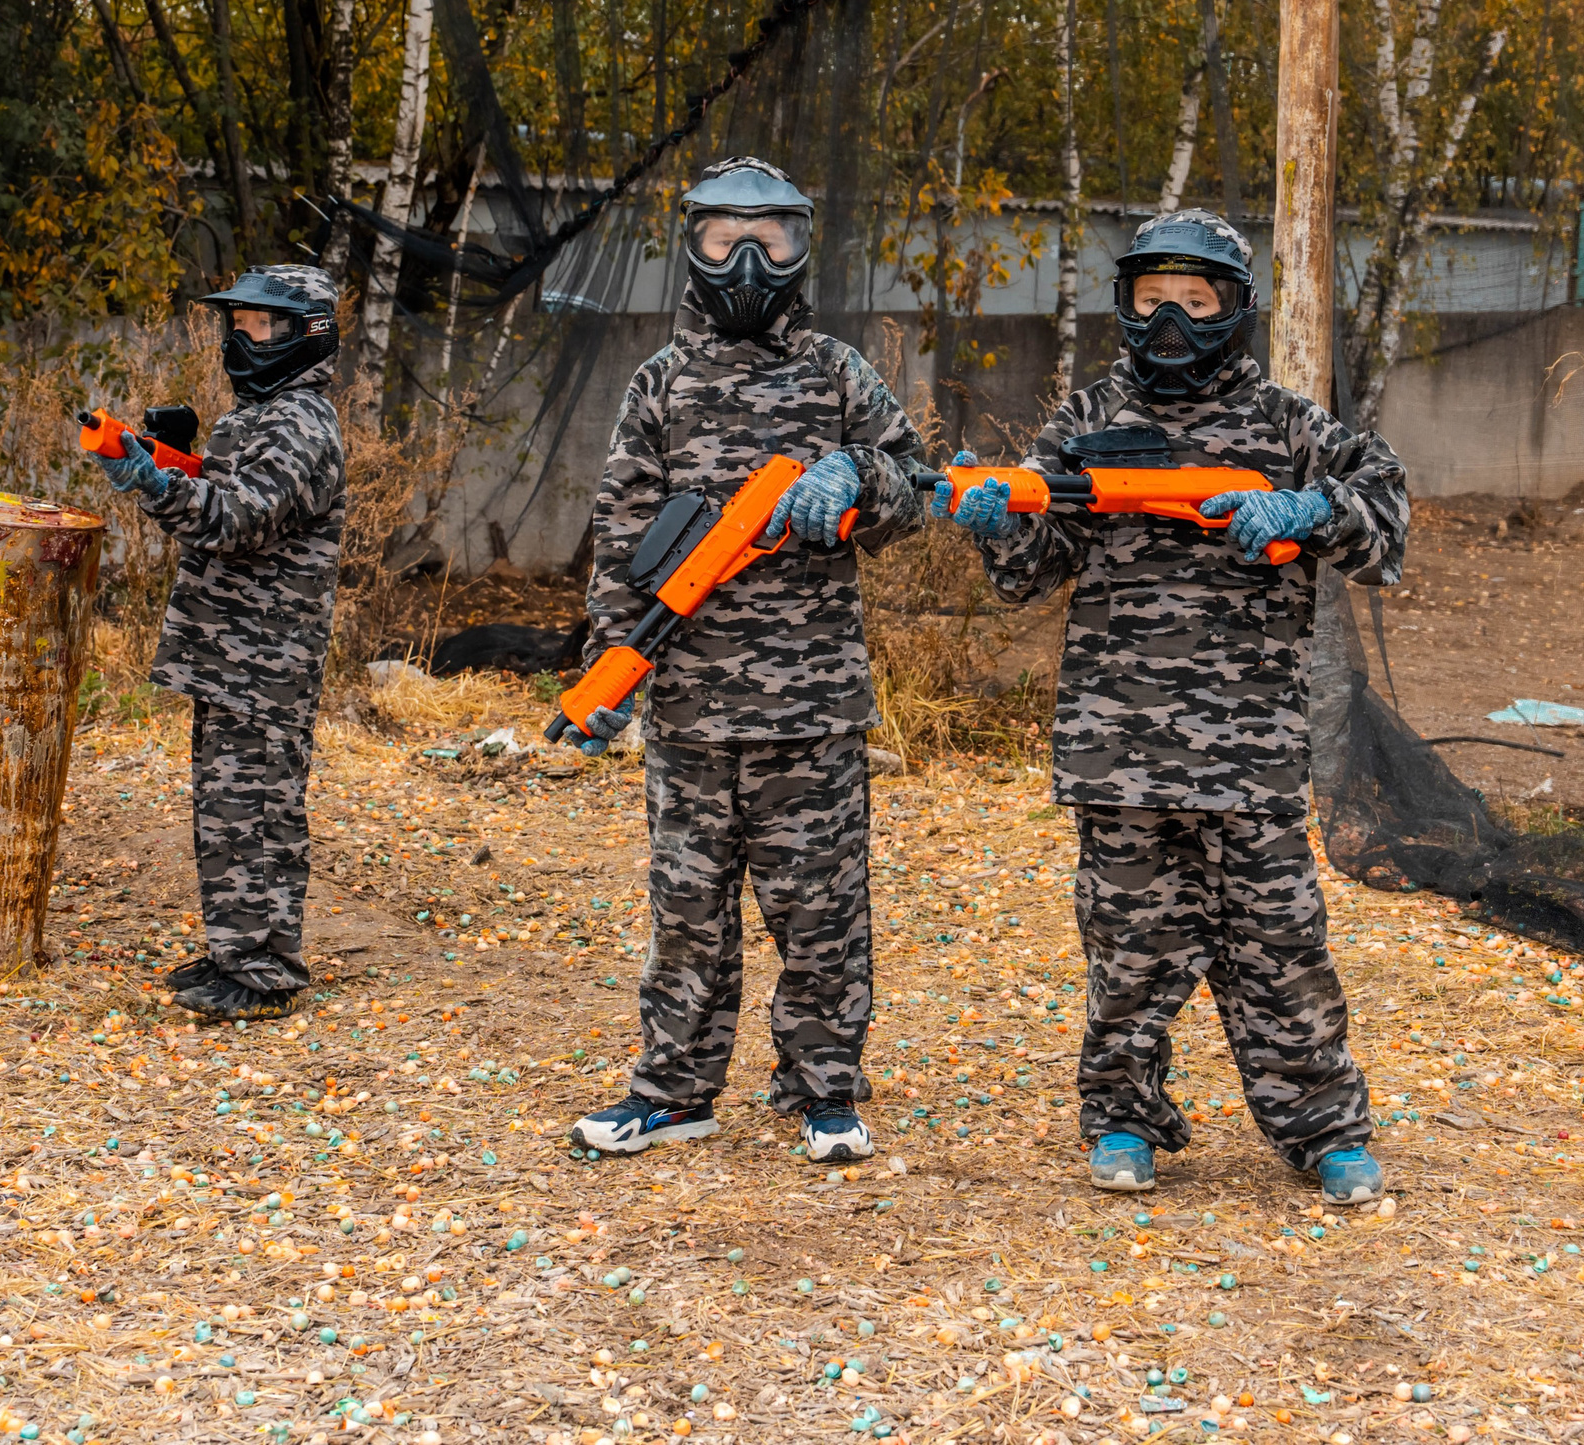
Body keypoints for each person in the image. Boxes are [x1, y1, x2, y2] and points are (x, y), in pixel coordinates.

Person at [938, 210, 1408, 1204]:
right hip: (1118, 746)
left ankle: (1324, 1130)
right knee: (1128, 949)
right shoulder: (1085, 423)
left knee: (1279, 945)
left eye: (1195, 303)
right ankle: (1120, 1115)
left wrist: (1310, 507)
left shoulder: (1286, 425)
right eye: (1152, 300)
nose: (1170, 322)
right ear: (1125, 304)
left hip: (1251, 752)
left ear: (1234, 309)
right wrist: (995, 523)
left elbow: (1386, 512)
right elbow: (1030, 574)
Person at [565, 156, 927, 1164]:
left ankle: (822, 1090)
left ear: (802, 246)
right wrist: (608, 675)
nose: (749, 258)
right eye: (726, 235)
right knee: (686, 914)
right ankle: (674, 1090)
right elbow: (621, 536)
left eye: (773, 235)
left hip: (811, 703)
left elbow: (918, 484)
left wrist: (857, 474)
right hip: (686, 701)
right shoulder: (662, 383)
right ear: (691, 244)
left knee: (820, 910)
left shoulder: (834, 372)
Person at [88, 265, 347, 1022]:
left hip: (266, 658)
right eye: (236, 323)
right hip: (231, 651)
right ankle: (239, 951)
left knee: (258, 809)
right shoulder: (259, 417)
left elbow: (237, 520)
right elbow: (223, 498)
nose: (242, 337)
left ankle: (266, 970)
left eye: (259, 325)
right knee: (228, 810)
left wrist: (152, 481)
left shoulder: (300, 424)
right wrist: (169, 460)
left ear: (306, 334)